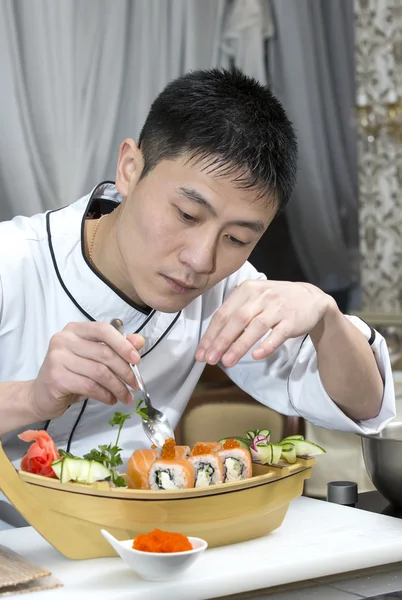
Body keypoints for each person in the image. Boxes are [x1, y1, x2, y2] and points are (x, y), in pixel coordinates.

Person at [0, 68, 395, 468]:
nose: (202, 260)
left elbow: (364, 403)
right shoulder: (12, 260)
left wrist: (325, 317)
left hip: (142, 527)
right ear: (130, 169)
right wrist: (31, 396)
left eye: (237, 239)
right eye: (187, 215)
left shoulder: (227, 292)